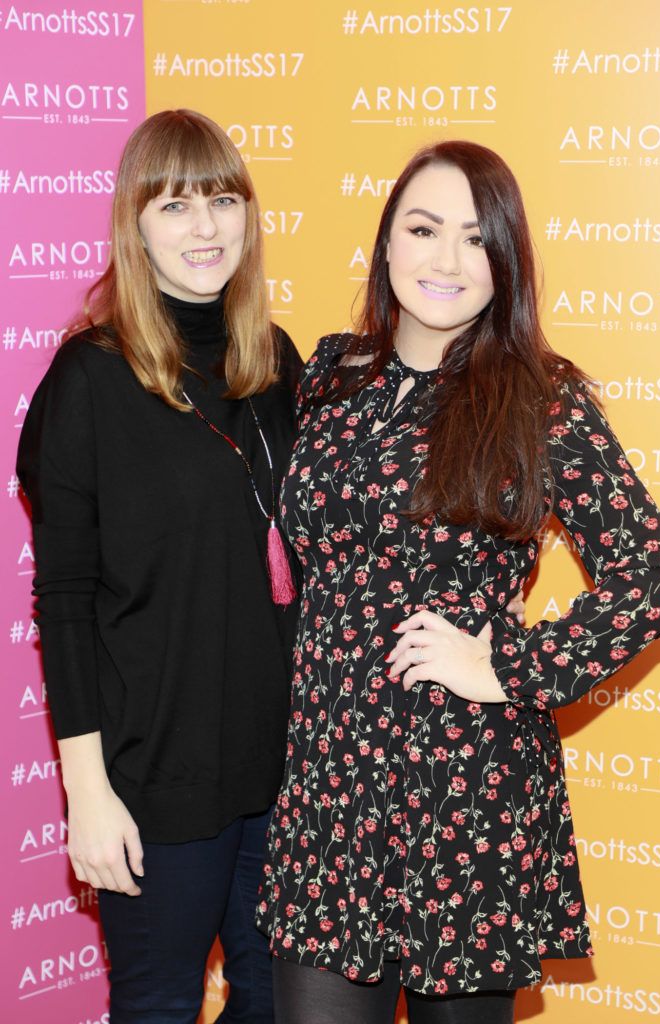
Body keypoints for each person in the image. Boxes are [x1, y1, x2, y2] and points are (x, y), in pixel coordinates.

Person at [256, 140, 660, 1024]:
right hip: (329, 795)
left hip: (466, 789)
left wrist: (509, 669)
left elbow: (655, 578)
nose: (447, 260)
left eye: (476, 238)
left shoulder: (539, 400)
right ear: (386, 245)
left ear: (506, 261)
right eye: (424, 229)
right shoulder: (332, 380)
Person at [17, 109, 303, 1024]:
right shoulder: (88, 382)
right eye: (174, 206)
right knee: (159, 1006)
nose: (206, 228)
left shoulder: (279, 365)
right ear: (133, 224)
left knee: (273, 1003)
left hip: (285, 769)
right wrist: (86, 794)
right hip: (153, 779)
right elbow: (63, 602)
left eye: (224, 201)